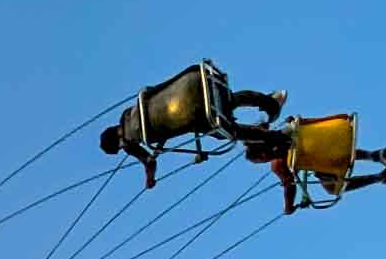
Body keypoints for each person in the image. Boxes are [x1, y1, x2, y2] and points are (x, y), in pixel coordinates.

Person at [99, 63, 285, 188]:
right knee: (225, 101)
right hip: (189, 85)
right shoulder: (128, 113)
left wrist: (150, 178)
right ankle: (270, 103)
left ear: (118, 143)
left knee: (227, 130)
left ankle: (269, 136)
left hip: (190, 115)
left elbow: (149, 161)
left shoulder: (130, 142)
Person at [235, 121, 386, 215]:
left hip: (325, 159)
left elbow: (289, 186)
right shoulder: (283, 131)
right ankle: (374, 155)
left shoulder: (278, 164)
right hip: (332, 134)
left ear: (262, 156)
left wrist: (288, 207)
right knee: (330, 149)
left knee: (331, 188)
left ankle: (382, 176)